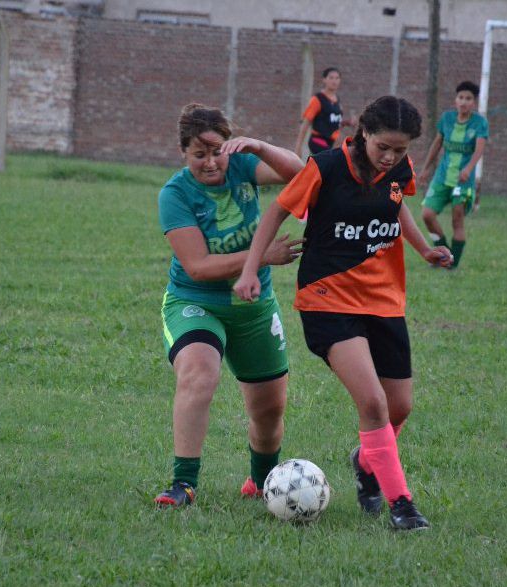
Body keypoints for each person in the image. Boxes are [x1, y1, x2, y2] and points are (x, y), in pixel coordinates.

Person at [234, 96, 453, 531]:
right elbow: (276, 212)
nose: (391, 157)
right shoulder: (326, 168)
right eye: (383, 147)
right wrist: (249, 269)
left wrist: (424, 248)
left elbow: (398, 205)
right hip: (327, 299)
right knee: (372, 402)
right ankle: (402, 506)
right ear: (362, 133)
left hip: (383, 300)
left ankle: (368, 462)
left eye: (401, 150)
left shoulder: (398, 171)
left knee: (399, 408)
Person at [154, 103, 305, 507]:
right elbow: (199, 266)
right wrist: (261, 256)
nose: (209, 163)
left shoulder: (241, 167)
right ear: (183, 154)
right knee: (199, 374)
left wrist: (257, 146)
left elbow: (299, 173)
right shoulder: (175, 194)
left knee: (269, 410)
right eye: (198, 155)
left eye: (216, 151)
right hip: (195, 301)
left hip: (255, 307)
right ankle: (184, 484)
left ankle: (261, 483)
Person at [417, 81, 489, 268]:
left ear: (474, 102)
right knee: (427, 214)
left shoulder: (479, 123)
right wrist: (425, 168)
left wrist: (468, 168)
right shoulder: (447, 119)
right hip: (442, 177)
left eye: (468, 98)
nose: (463, 102)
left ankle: (452, 264)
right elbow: (437, 143)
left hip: (462, 181)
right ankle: (443, 254)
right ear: (455, 100)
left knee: (457, 218)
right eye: (460, 98)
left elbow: (479, 150)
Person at [294, 67, 356, 158]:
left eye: (337, 78)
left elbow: (333, 122)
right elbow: (305, 123)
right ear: (324, 80)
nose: (334, 81)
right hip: (318, 140)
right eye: (331, 78)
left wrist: (348, 123)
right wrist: (298, 147)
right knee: (332, 163)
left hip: (330, 142)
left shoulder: (337, 100)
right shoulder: (318, 99)